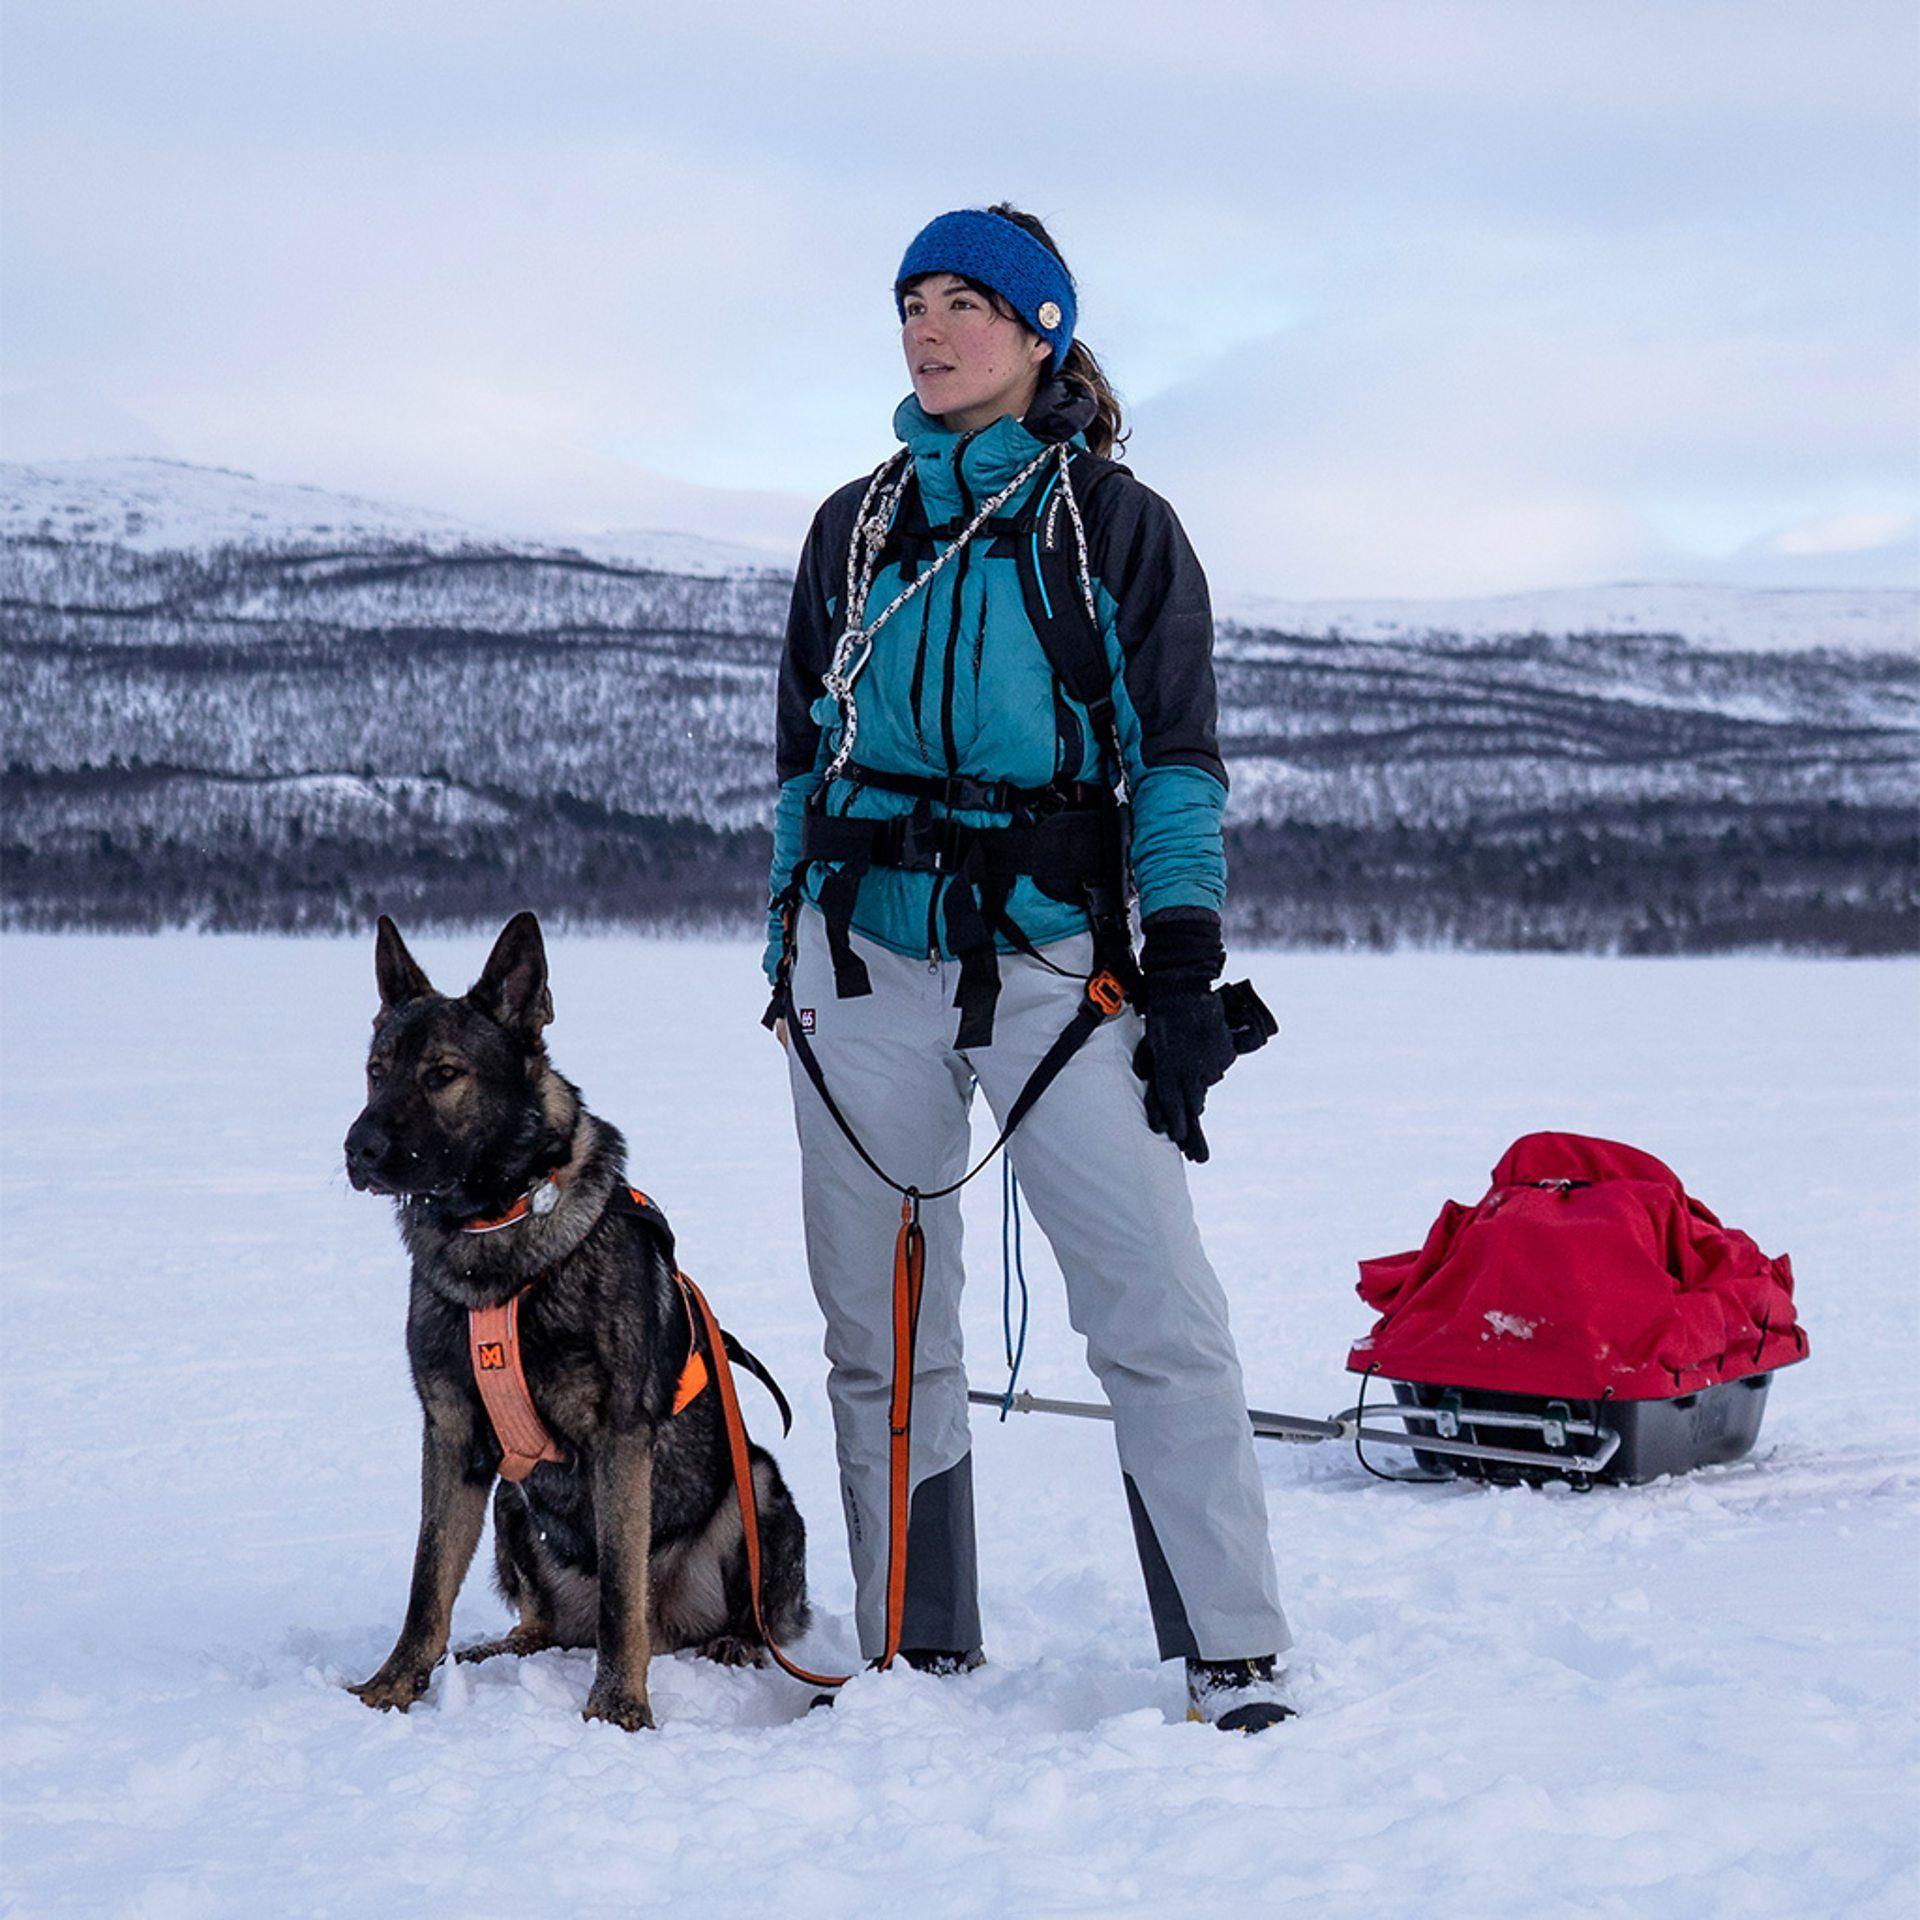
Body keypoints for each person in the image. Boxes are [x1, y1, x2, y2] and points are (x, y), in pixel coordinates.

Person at [762, 204, 1293, 1732]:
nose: (928, 331)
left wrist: (1183, 974)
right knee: (881, 1326)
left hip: (1056, 967)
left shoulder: (1112, 525)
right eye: (911, 304)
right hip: (855, 965)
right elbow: (803, 759)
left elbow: (1176, 766)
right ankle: (915, 1644)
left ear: (1041, 328)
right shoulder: (852, 527)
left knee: (1153, 1304)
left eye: (963, 305)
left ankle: (1232, 1646)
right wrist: (782, 943)